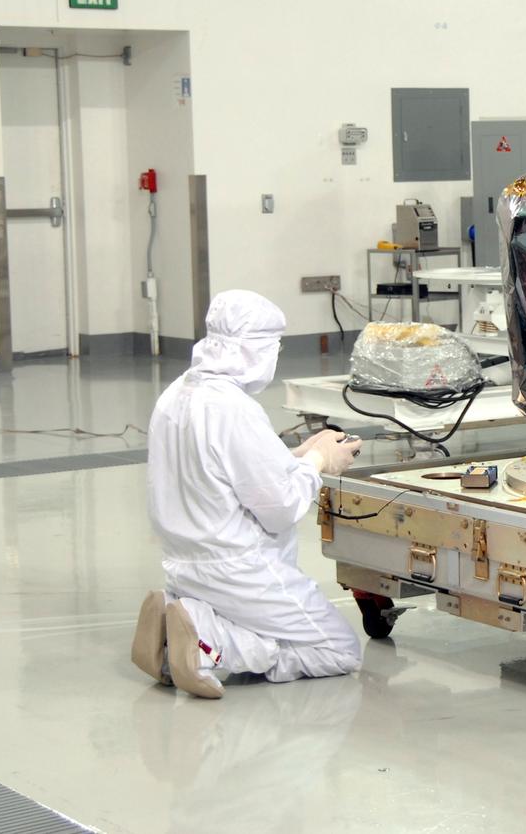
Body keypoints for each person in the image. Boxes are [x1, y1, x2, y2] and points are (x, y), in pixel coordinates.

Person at [130, 289, 364, 699]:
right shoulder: (233, 409)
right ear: (254, 348)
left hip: (186, 565)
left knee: (290, 635)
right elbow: (280, 507)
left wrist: (299, 454)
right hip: (241, 570)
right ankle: (210, 641)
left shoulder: (177, 394)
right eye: (274, 346)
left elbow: (223, 472)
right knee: (338, 650)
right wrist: (320, 462)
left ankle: (175, 636)